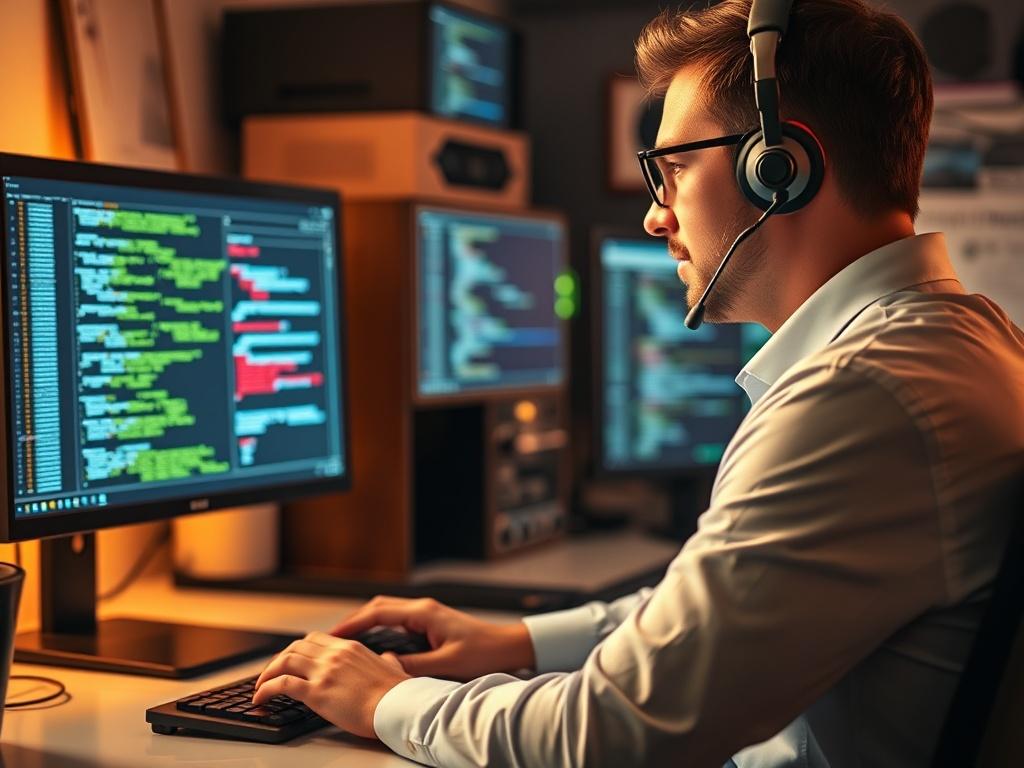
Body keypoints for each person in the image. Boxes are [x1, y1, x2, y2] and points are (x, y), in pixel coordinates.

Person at [251, 1, 1024, 765]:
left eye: (675, 170)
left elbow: (612, 735)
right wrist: (516, 641)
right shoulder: (968, 341)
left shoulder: (859, 395)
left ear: (780, 169)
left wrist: (385, 701)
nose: (657, 217)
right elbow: (718, 620)